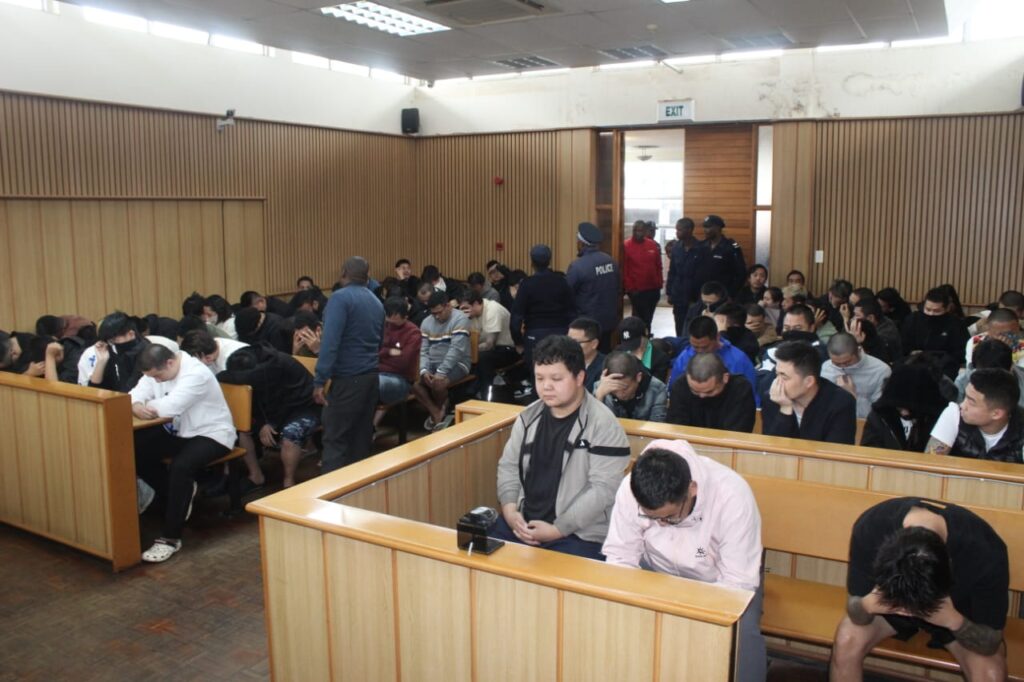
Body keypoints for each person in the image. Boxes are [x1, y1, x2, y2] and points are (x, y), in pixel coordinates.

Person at [603, 440, 765, 682]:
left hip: (713, 568)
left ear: (692, 489)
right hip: (656, 567)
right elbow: (620, 556)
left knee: (743, 635)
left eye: (668, 516)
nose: (660, 523)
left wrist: (690, 615)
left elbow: (737, 583)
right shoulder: (631, 488)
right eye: (650, 517)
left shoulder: (732, 495)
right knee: (618, 618)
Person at [831, 498, 1008, 681]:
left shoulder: (985, 551)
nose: (910, 612)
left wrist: (954, 621)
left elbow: (991, 642)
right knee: (846, 639)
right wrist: (868, 604)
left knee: (990, 673)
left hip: (958, 613)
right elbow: (854, 608)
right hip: (888, 608)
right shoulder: (872, 527)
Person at [494, 335, 630, 560]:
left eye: (556, 378)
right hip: (523, 522)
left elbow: (603, 489)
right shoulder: (528, 418)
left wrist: (558, 529)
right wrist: (510, 509)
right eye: (539, 378)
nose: (546, 386)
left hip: (579, 533)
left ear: (579, 377)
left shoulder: (604, 425)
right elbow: (508, 466)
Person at [130, 344, 236, 562]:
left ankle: (171, 537)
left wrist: (144, 405)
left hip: (213, 434)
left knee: (181, 466)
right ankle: (178, 493)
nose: (157, 381)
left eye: (158, 376)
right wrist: (137, 404)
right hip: (181, 433)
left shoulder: (196, 373)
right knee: (135, 449)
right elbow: (133, 395)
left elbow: (170, 407)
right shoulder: (156, 369)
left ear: (169, 363)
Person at [313, 256, 384, 473]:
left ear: (343, 272)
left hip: (347, 379)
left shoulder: (339, 299)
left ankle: (331, 498)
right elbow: (379, 342)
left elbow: (330, 343)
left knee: (335, 439)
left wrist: (319, 380)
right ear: (367, 275)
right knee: (361, 439)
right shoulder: (376, 302)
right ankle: (358, 494)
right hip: (371, 377)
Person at [218, 346, 320, 489]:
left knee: (290, 434)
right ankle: (256, 476)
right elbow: (225, 377)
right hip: (274, 411)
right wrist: (262, 424)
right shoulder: (248, 366)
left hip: (303, 405)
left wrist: (270, 424)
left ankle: (288, 481)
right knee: (243, 429)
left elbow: (287, 401)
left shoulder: (277, 368)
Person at [762, 340, 857, 444]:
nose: (776, 382)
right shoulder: (772, 399)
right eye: (776, 374)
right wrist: (785, 409)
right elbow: (772, 449)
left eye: (784, 376)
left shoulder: (841, 403)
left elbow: (836, 452)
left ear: (809, 381)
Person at [927, 368, 1024, 462]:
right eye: (965, 396)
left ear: (996, 414)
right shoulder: (954, 413)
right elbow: (930, 465)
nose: (962, 405)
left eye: (971, 401)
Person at [413, 291, 472, 430]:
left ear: (448, 306)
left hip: (459, 363)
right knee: (413, 384)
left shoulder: (460, 319)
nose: (437, 317)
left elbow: (456, 350)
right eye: (433, 313)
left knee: (438, 384)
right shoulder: (426, 322)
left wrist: (441, 371)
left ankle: (439, 411)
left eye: (439, 312)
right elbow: (424, 351)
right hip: (433, 363)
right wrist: (424, 370)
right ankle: (438, 413)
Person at [511, 244, 575, 370]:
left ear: (532, 262)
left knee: (537, 376)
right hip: (561, 334)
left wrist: (518, 341)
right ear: (549, 260)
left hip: (534, 335)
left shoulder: (526, 284)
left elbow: (516, 317)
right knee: (560, 372)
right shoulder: (562, 281)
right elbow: (572, 312)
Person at [860, 364, 949, 451]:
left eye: (911, 409)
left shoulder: (942, 421)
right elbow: (868, 450)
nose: (904, 413)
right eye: (899, 408)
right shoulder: (880, 416)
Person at [668, 316, 757, 399]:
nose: (700, 351)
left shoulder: (738, 360)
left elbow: (751, 395)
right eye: (695, 347)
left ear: (717, 337)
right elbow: (674, 392)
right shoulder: (684, 358)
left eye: (705, 347)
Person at [667, 352, 756, 433]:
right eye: (695, 391)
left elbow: (738, 432)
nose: (701, 396)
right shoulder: (680, 386)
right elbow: (676, 428)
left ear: (725, 378)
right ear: (687, 377)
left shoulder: (740, 389)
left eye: (709, 391)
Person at [567, 222, 619, 351]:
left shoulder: (577, 266)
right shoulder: (611, 261)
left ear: (581, 243)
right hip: (608, 321)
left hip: (587, 326)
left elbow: (567, 295)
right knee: (604, 355)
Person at [457, 290, 517, 398]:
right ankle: (467, 393)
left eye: (466, 308)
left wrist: (469, 351)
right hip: (484, 350)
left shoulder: (492, 309)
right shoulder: (468, 315)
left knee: (483, 358)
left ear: (476, 303)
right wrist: (462, 320)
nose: (464, 311)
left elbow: (490, 345)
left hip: (507, 348)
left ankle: (485, 394)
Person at [901, 287, 968, 379]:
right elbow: (903, 345)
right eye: (928, 309)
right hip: (914, 363)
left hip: (944, 367)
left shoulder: (955, 324)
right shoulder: (913, 319)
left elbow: (961, 352)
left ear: (947, 308)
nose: (931, 314)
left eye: (936, 311)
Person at [820, 332, 892, 419]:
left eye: (847, 362)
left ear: (858, 351)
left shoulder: (880, 371)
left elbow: (881, 414)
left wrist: (851, 397)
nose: (842, 366)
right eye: (836, 364)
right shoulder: (826, 368)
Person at [374, 297, 421, 422]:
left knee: (371, 384)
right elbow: (371, 353)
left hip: (400, 379)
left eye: (394, 319)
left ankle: (368, 428)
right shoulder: (382, 327)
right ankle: (367, 428)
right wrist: (389, 352)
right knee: (354, 383)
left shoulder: (413, 332)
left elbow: (403, 363)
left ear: (404, 316)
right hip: (376, 373)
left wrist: (381, 356)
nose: (390, 323)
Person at [593, 350, 667, 422]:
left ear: (638, 377)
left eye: (625, 388)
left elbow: (657, 426)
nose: (620, 395)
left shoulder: (657, 389)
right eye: (614, 390)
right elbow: (592, 426)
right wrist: (599, 396)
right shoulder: (601, 387)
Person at [956, 338, 1024, 408]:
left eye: (998, 380)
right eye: (985, 378)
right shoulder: (962, 383)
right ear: (976, 367)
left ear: (1011, 367)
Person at [622, 220, 663, 333]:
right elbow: (625, 269)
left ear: (645, 231)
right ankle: (637, 339)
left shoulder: (652, 245)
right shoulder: (626, 245)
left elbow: (658, 266)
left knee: (648, 318)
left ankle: (647, 337)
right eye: (635, 230)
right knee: (639, 319)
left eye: (640, 230)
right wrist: (630, 288)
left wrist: (659, 284)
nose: (637, 233)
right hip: (637, 291)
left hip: (653, 289)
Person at [666, 217, 703, 336]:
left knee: (694, 327)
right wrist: (669, 292)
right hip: (679, 294)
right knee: (679, 325)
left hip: (695, 296)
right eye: (676, 230)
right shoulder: (676, 247)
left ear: (689, 230)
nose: (677, 233)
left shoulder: (701, 248)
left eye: (680, 230)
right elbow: (672, 271)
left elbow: (703, 275)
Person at [695, 214, 746, 296]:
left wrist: (731, 295)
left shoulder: (731, 247)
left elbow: (741, 273)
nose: (705, 230)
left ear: (718, 228)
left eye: (708, 227)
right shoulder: (700, 246)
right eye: (704, 227)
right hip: (702, 294)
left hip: (722, 295)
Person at [615, 316, 671, 383]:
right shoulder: (619, 351)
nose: (631, 348)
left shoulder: (661, 358)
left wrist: (638, 363)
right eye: (627, 343)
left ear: (646, 332)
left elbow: (657, 387)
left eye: (635, 342)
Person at [567, 317, 605, 393]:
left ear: (594, 344)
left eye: (576, 342)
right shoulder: (563, 362)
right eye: (568, 340)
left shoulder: (604, 367)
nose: (569, 345)